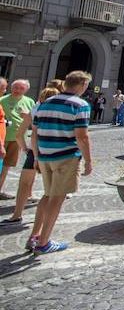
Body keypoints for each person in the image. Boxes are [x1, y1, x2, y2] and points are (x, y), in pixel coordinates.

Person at [29, 70, 93, 254]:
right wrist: (88, 160)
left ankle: (35, 235)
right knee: (57, 198)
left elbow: (35, 132)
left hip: (45, 156)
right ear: (81, 85)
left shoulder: (45, 103)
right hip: (66, 157)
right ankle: (43, 242)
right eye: (86, 85)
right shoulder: (80, 105)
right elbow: (82, 137)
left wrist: (36, 156)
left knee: (47, 195)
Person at [3, 84, 61, 224]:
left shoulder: (34, 110)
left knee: (24, 184)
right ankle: (44, 221)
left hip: (34, 152)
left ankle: (16, 215)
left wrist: (25, 149)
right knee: (51, 188)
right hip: (53, 151)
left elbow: (19, 134)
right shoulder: (60, 112)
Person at [1, 79, 36, 199]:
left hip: (17, 140)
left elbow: (34, 120)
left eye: (21, 88)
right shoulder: (2, 100)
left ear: (26, 90)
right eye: (16, 87)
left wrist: (27, 117)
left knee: (7, 165)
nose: (18, 90)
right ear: (11, 88)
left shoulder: (30, 102)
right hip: (2, 138)